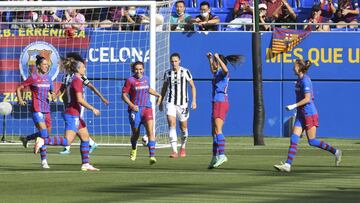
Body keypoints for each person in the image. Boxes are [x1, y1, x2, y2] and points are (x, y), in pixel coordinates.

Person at [274, 59, 342, 172]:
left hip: (309, 114)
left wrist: (293, 106)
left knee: (312, 141)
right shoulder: (299, 80)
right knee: (294, 138)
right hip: (301, 114)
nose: (293, 68)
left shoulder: (305, 80)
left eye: (294, 66)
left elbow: (307, 99)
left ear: (300, 68)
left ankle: (336, 152)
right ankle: (287, 165)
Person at [34, 57, 101, 171]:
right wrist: (92, 108)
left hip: (73, 113)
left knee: (85, 138)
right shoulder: (77, 81)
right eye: (83, 67)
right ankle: (43, 141)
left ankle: (85, 164)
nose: (85, 69)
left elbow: (64, 94)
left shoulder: (73, 79)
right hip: (72, 113)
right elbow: (79, 99)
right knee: (67, 141)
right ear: (78, 69)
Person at [56, 53, 109, 155]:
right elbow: (62, 89)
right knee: (77, 125)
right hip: (68, 103)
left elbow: (91, 87)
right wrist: (54, 96)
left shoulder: (80, 78)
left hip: (78, 103)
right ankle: (91, 144)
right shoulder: (66, 76)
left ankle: (66, 146)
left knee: (73, 123)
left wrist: (102, 98)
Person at [16, 55, 56, 169]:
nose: (46, 66)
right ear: (38, 66)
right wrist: (20, 99)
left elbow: (52, 92)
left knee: (46, 135)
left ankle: (26, 138)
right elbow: (19, 88)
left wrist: (53, 95)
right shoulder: (33, 77)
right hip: (36, 109)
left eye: (47, 65)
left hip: (46, 109)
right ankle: (44, 161)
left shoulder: (48, 78)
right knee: (43, 134)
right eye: (44, 64)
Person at [206, 52, 243, 169]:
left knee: (218, 130)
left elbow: (226, 70)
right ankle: (214, 156)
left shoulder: (223, 73)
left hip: (220, 102)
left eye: (216, 63)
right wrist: (210, 59)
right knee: (214, 132)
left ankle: (222, 155)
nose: (214, 65)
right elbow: (212, 70)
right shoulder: (217, 73)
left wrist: (216, 58)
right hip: (217, 102)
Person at [122, 61, 161, 165]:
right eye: (136, 69)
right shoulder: (130, 80)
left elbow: (148, 89)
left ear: (143, 69)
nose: (139, 71)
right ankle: (134, 148)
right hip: (135, 110)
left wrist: (158, 95)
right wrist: (131, 105)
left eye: (140, 69)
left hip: (147, 108)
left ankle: (152, 156)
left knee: (150, 131)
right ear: (133, 70)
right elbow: (124, 95)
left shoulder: (146, 79)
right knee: (136, 133)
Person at [159, 53, 197, 158]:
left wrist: (193, 101)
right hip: (170, 102)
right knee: (171, 123)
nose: (174, 63)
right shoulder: (167, 73)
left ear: (179, 61)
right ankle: (174, 151)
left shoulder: (185, 72)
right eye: (172, 61)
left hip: (183, 104)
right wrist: (161, 101)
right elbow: (164, 88)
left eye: (176, 61)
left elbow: (193, 86)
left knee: (183, 128)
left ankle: (183, 147)